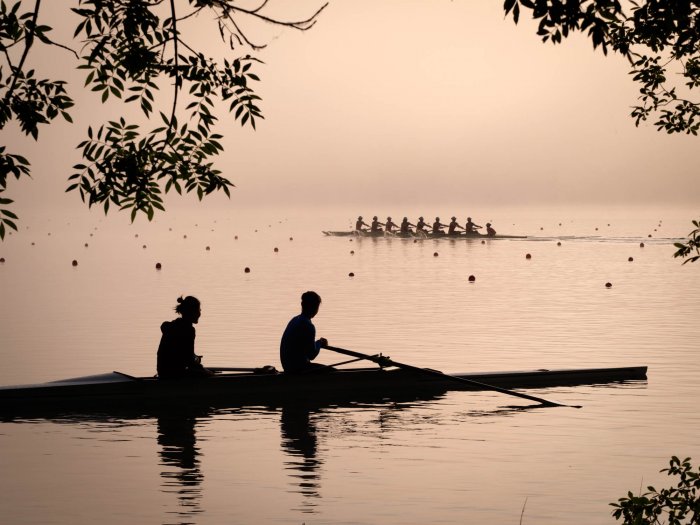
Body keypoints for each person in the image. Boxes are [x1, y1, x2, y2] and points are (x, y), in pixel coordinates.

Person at [157, 296, 212, 379]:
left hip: (162, 372)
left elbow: (182, 353)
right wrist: (206, 371)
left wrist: (196, 359)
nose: (199, 313)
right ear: (191, 311)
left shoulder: (172, 326)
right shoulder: (189, 330)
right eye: (198, 310)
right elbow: (190, 362)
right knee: (208, 375)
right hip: (175, 374)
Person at [280, 291, 329, 374]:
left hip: (288, 367)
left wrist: (317, 344)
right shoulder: (308, 326)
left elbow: (304, 345)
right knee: (332, 372)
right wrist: (319, 343)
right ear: (315, 307)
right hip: (298, 370)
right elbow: (312, 355)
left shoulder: (294, 320)